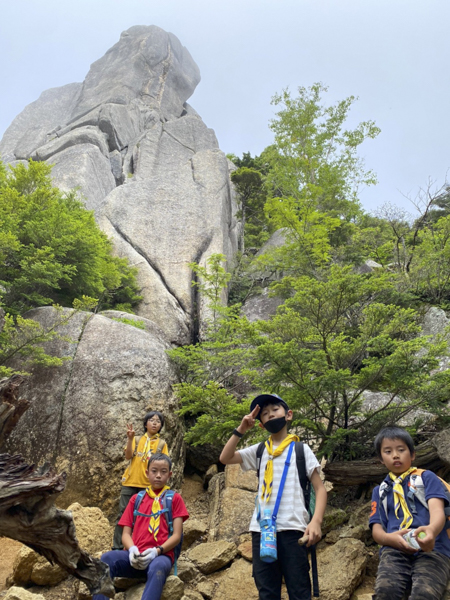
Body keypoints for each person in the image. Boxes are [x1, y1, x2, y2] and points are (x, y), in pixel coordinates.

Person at [219, 393, 327, 600]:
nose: (270, 416)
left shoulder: (300, 449)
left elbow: (320, 489)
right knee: (267, 592)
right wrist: (241, 430)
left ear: (288, 415)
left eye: (275, 410)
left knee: (299, 590)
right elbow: (225, 458)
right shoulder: (259, 450)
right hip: (262, 530)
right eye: (265, 414)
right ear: (261, 425)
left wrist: (316, 522)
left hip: (294, 529)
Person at [369, 426, 450, 600]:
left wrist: (431, 532)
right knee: (386, 591)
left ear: (412, 455)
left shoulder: (427, 478)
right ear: (381, 459)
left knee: (425, 593)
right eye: (388, 451)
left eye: (401, 450)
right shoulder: (380, 491)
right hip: (394, 549)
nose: (395, 455)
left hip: (433, 548)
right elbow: (377, 531)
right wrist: (390, 539)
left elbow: (438, 511)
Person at [94, 453, 188, 600]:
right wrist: (132, 549)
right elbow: (125, 534)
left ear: (169, 474)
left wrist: (157, 551)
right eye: (154, 471)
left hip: (160, 557)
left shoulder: (174, 499)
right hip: (135, 557)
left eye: (163, 472)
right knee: (105, 560)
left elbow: (176, 535)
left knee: (157, 568)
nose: (158, 475)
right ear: (147, 473)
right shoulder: (136, 499)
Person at [112, 411, 169, 550]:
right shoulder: (137, 439)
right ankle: (118, 547)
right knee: (123, 515)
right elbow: (128, 456)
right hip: (130, 482)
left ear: (161, 426)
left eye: (158, 421)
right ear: (145, 423)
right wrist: (130, 439)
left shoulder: (161, 444)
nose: (155, 423)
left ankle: (138, 546)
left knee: (143, 517)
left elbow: (165, 464)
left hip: (148, 486)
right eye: (151, 420)